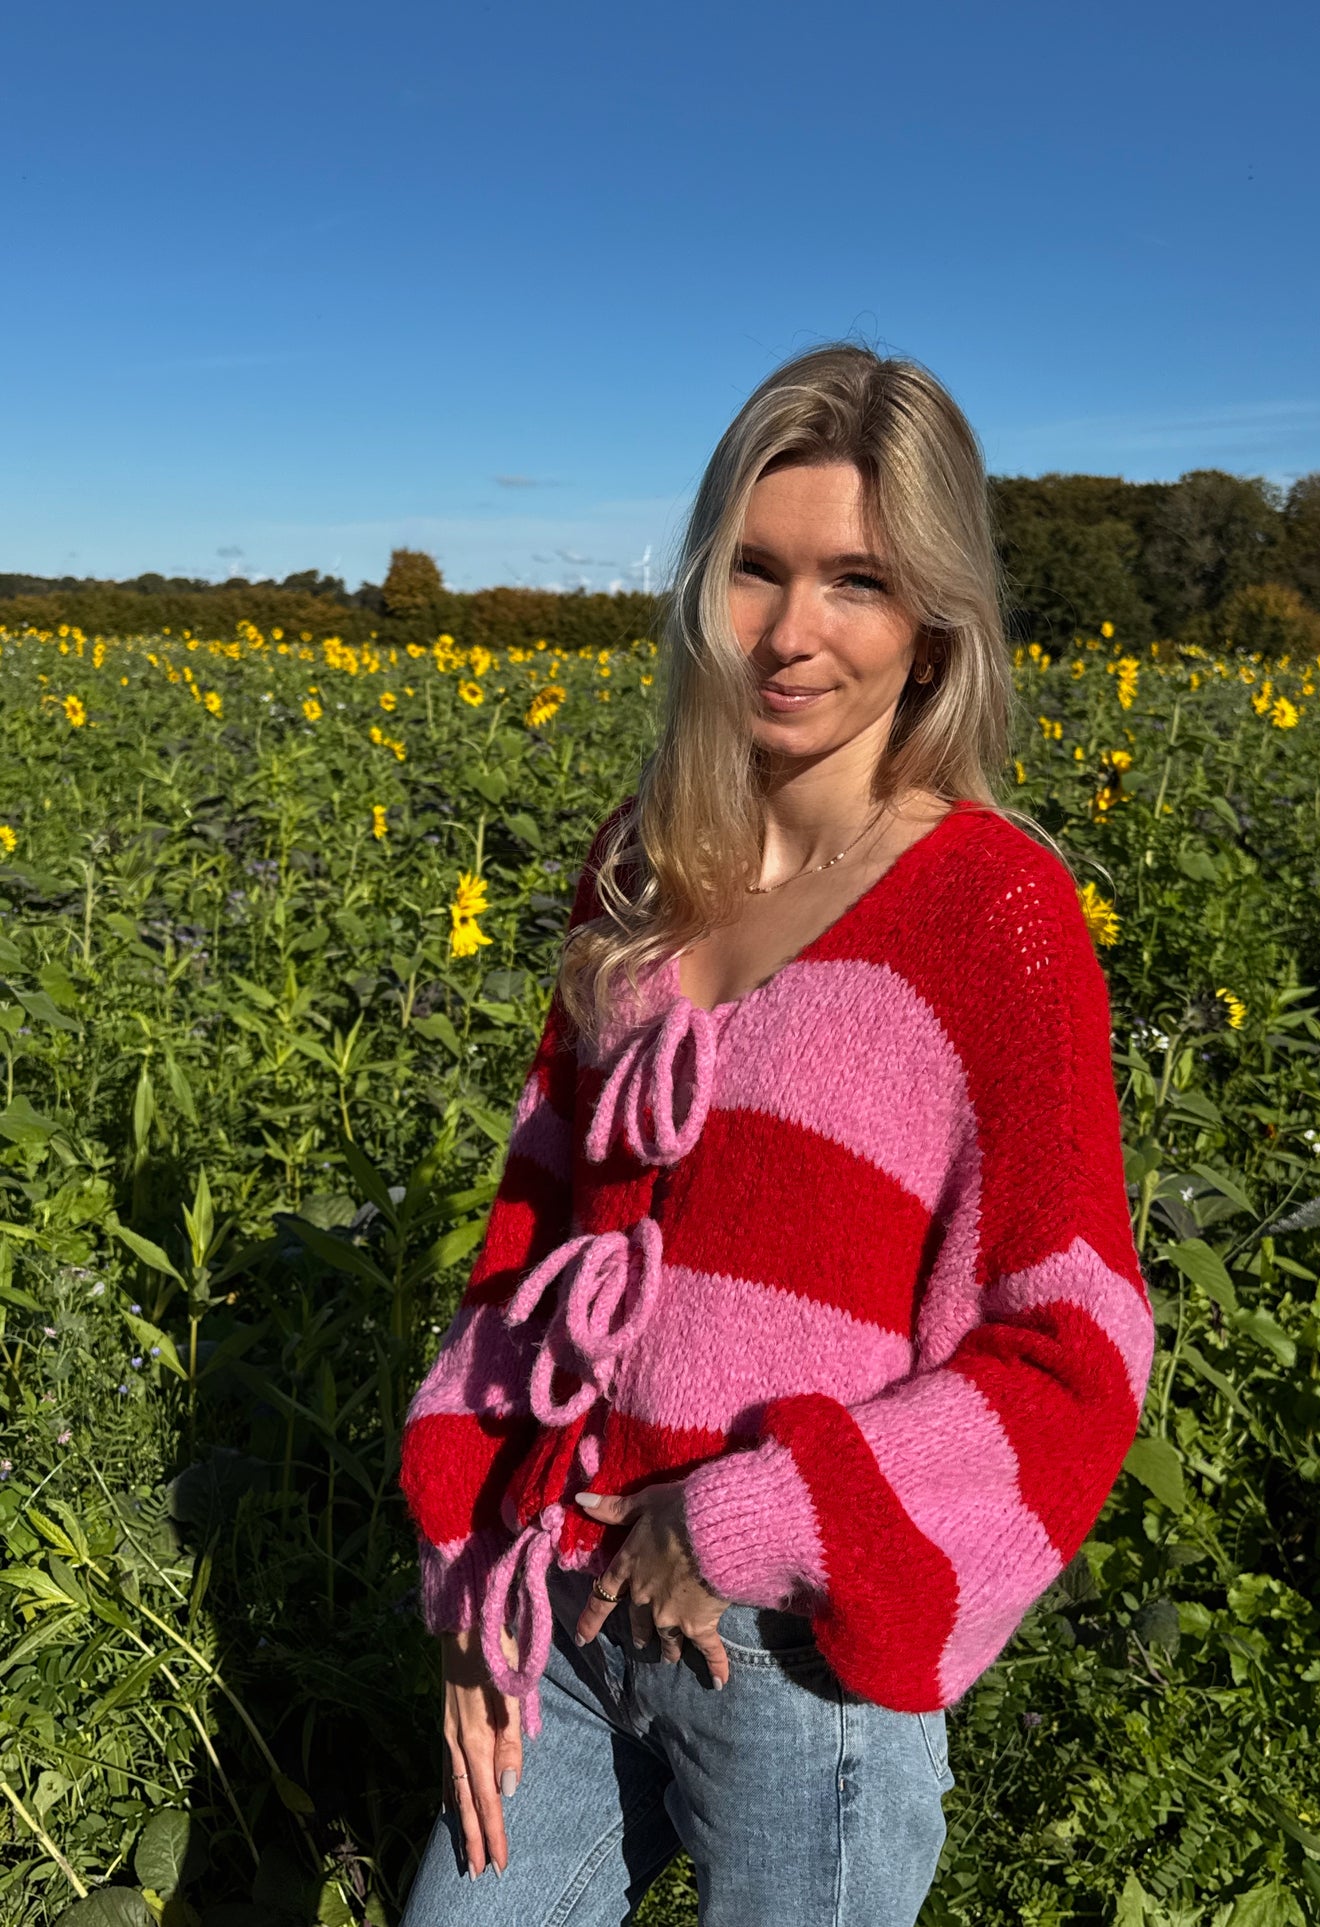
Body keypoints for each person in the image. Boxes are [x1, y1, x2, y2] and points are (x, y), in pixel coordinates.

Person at [396, 341, 1155, 1927]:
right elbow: (532, 1242)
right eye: (752, 570)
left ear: (936, 617)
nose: (790, 635)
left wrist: (746, 1515)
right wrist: (470, 1562)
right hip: (556, 1609)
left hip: (797, 1664)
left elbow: (1075, 1348)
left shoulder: (990, 915)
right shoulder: (644, 859)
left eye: (857, 582)